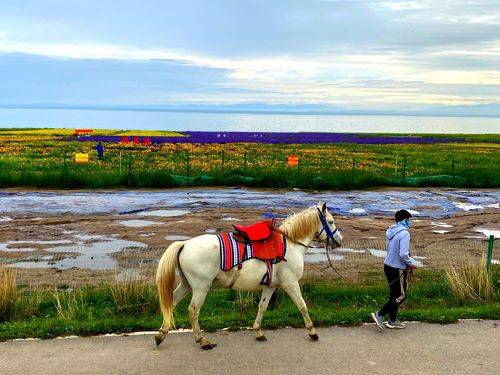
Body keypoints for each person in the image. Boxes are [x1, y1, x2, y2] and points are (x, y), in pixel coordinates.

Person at [371, 209, 417, 329]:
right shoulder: (405, 233)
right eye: (409, 220)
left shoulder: (391, 231)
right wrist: (411, 263)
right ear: (405, 220)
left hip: (388, 266)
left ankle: (392, 320)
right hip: (397, 268)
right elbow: (403, 254)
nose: (410, 222)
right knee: (402, 295)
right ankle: (380, 314)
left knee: (394, 294)